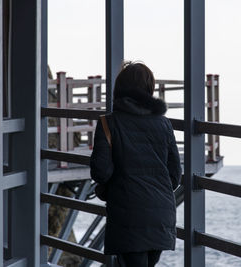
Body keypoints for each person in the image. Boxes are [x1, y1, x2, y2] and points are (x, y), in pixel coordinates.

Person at [90, 61, 182, 267]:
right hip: (161, 214)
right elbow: (175, 176)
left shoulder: (108, 123)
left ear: (119, 89)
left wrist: (107, 188)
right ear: (149, 89)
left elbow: (100, 172)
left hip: (128, 214)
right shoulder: (164, 123)